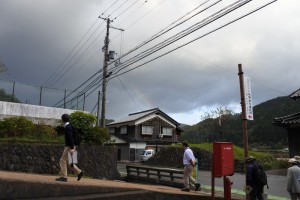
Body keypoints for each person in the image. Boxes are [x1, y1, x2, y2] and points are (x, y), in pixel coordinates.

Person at [56, 113, 83, 182]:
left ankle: (64, 177)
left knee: (62, 160)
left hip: (70, 146)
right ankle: (79, 172)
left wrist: (71, 148)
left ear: (62, 120)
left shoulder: (67, 127)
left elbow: (70, 138)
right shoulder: (69, 126)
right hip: (72, 146)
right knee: (69, 162)